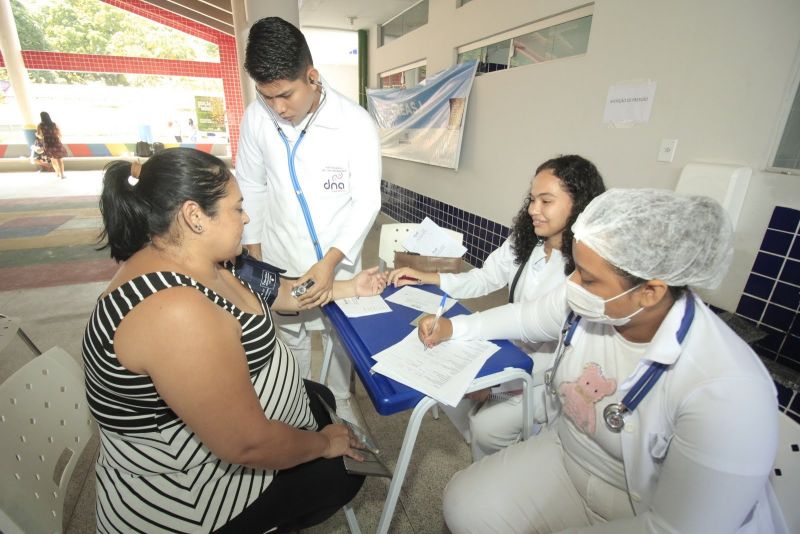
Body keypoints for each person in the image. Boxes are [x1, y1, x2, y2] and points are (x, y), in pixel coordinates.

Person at [419, 189, 784, 533]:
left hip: (645, 505)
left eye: (588, 279)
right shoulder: (594, 300)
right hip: (569, 453)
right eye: (575, 269)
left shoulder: (729, 392)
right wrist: (454, 327)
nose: (572, 284)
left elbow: (675, 528)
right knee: (464, 505)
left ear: (650, 292)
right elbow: (525, 318)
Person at [83, 147, 387, 533]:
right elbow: (246, 446)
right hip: (195, 496)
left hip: (237, 435)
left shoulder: (217, 260)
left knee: (318, 397)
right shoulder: (173, 312)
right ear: (195, 216)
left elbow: (289, 292)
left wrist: (351, 286)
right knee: (345, 472)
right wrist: (324, 445)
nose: (246, 218)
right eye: (237, 208)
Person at [388, 155, 605, 458]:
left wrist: (494, 387)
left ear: (580, 205)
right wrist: (430, 277)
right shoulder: (527, 240)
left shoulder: (585, 270)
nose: (533, 210)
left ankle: (494, 460)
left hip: (546, 374)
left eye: (546, 201)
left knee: (488, 426)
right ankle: (485, 445)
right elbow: (485, 278)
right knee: (448, 384)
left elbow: (541, 335)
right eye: (532, 199)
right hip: (508, 347)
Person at [236, 17, 381, 421]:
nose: (278, 108)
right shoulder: (256, 118)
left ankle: (341, 397)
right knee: (291, 337)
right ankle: (296, 400)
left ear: (312, 76)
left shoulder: (355, 123)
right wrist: (256, 259)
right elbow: (251, 187)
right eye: (268, 97)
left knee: (340, 337)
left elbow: (367, 200)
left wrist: (330, 262)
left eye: (285, 95)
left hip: (338, 254)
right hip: (280, 252)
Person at [36, 111, 67, 178]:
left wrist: (40, 136)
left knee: (53, 159)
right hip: (56, 142)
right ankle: (62, 175)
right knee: (59, 159)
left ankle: (57, 173)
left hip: (47, 143)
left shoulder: (40, 125)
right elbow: (59, 133)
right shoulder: (54, 124)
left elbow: (39, 135)